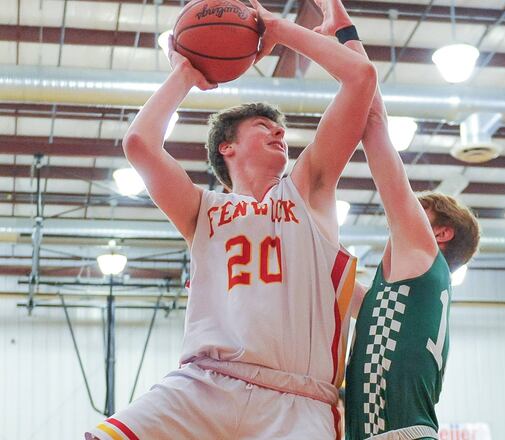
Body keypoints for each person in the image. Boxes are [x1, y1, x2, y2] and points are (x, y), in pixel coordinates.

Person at [86, 0, 376, 439]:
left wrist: (279, 29)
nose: (279, 131)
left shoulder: (308, 189)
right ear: (227, 147)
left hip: (298, 398)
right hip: (205, 384)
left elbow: (360, 78)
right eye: (263, 125)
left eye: (279, 128)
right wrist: (185, 74)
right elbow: (139, 144)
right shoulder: (201, 209)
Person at [310, 1, 481, 438]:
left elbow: (373, 121)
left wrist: (346, 34)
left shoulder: (423, 259)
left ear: (440, 234)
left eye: (421, 212)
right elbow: (328, 272)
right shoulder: (395, 297)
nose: (404, 216)